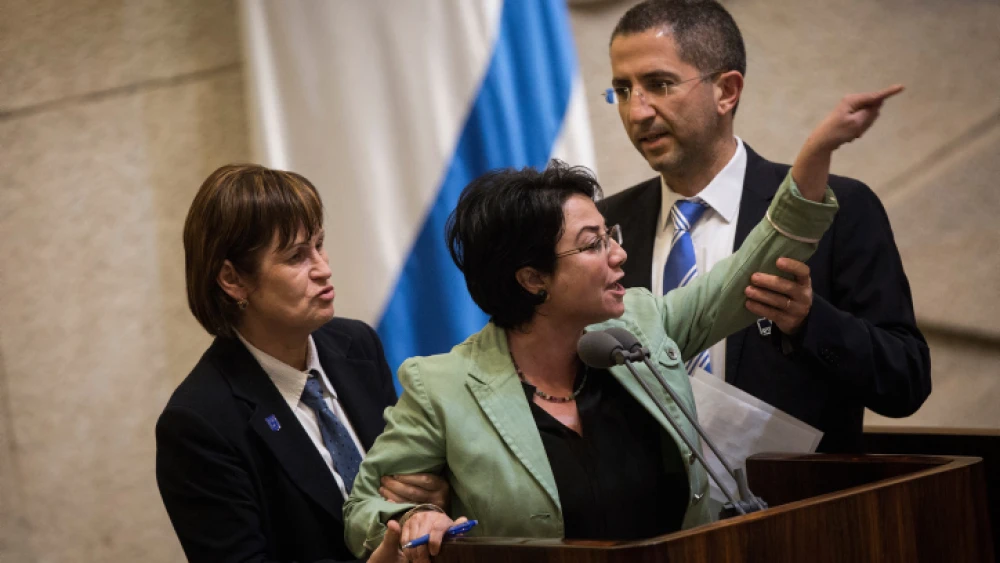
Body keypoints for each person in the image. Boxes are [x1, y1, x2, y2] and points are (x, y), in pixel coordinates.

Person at [343, 86, 901, 562]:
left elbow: (748, 272)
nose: (617, 255)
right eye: (592, 244)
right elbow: (365, 507)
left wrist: (815, 155)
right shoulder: (441, 385)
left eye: (610, 235)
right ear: (532, 278)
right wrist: (413, 517)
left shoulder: (640, 323)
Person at [598, 0, 931, 453]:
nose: (637, 112)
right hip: (656, 519)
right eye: (622, 90)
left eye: (658, 85)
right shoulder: (604, 228)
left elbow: (906, 382)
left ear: (726, 91)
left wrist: (811, 323)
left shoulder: (837, 209)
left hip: (795, 512)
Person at [156, 164, 448, 563]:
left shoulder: (356, 345)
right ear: (232, 279)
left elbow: (404, 480)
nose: (323, 268)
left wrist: (429, 498)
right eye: (296, 256)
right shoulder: (199, 422)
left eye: (319, 244)